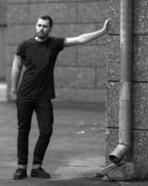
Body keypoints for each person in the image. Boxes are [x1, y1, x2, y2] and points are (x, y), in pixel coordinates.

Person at [11, 15, 110, 180]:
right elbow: (16, 66)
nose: (41, 28)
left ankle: (37, 166)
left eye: (45, 26)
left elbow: (79, 39)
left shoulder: (55, 43)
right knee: (23, 130)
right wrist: (13, 89)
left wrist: (102, 31)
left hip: (43, 96)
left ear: (50, 28)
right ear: (35, 26)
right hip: (25, 95)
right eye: (39, 25)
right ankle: (21, 167)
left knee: (46, 130)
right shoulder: (25, 45)